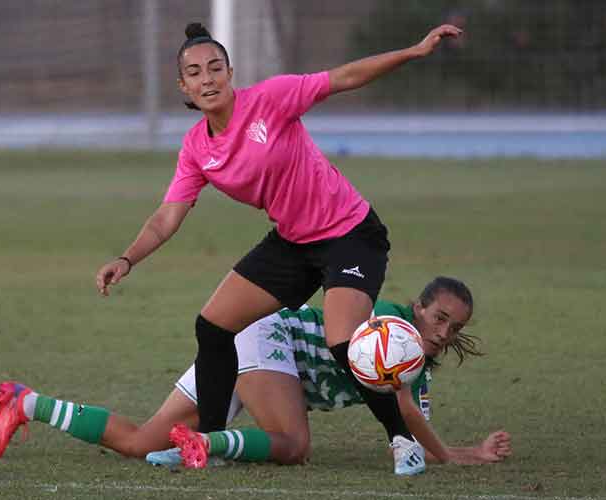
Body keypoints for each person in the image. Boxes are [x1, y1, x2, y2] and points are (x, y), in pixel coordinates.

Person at [91, 21, 464, 457]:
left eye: (215, 68)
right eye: (195, 73)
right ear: (184, 86)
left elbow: (342, 78)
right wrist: (127, 258)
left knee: (344, 342)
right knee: (212, 327)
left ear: (230, 73)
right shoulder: (196, 148)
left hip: (350, 233)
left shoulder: (270, 99)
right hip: (294, 242)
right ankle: (206, 443)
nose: (207, 79)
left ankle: (403, 442)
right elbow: (166, 218)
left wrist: (412, 51)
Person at [0, 277, 512, 475]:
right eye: (438, 318)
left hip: (260, 356)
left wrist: (462, 453)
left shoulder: (414, 371)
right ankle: (204, 444)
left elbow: (411, 426)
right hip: (265, 337)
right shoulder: (390, 326)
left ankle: (24, 402)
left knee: (139, 442)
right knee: (292, 443)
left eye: (454, 326)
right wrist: (452, 455)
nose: (443, 332)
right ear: (418, 308)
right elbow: (399, 413)